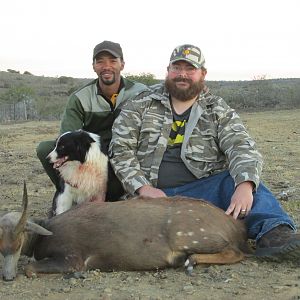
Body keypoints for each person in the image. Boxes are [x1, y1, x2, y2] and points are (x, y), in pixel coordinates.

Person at [109, 44, 300, 261]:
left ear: (203, 74)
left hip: (205, 192)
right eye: (176, 67)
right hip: (151, 194)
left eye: (190, 69)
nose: (182, 74)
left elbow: (241, 146)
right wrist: (142, 188)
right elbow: (120, 149)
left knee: (242, 184)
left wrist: (245, 185)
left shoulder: (218, 109)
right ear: (168, 70)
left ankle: (275, 235)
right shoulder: (140, 104)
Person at [37, 40, 149, 202]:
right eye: (100, 61)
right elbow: (67, 137)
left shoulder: (140, 92)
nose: (106, 66)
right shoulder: (79, 98)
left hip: (127, 150)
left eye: (112, 61)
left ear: (122, 65)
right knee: (45, 149)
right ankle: (71, 193)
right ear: (94, 66)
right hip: (93, 154)